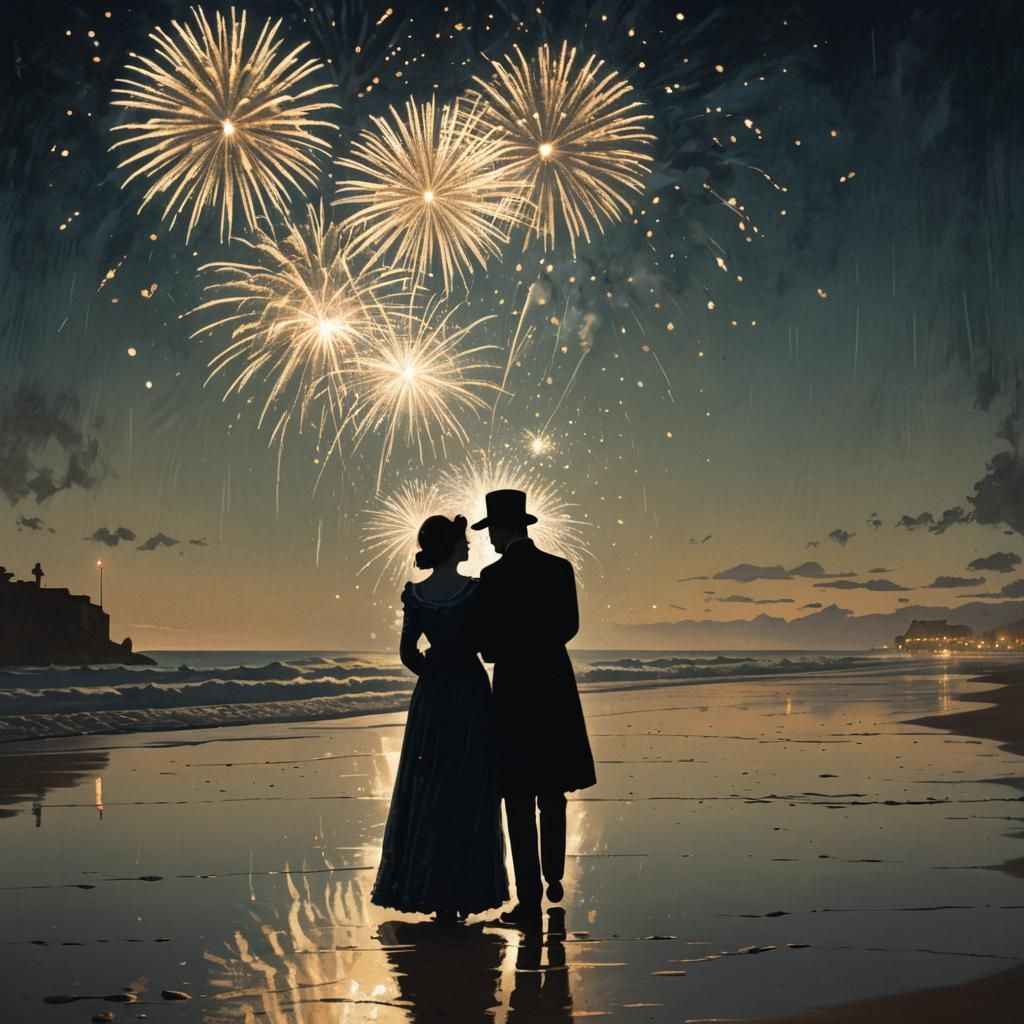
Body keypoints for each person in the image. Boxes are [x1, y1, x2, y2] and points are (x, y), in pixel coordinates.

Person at [371, 514, 508, 922]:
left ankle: (428, 885)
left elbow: (408, 652)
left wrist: (433, 672)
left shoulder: (416, 594)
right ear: (450, 547)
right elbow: (487, 643)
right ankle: (464, 889)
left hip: (432, 696)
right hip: (468, 690)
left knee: (429, 783)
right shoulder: (473, 591)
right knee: (467, 785)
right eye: (463, 542)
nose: (468, 547)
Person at [470, 489, 596, 928]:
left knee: (518, 798)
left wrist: (505, 648)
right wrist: (539, 644)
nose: (489, 541)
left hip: (514, 688)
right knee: (552, 790)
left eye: (491, 532)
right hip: (555, 685)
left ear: (503, 529)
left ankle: (529, 901)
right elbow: (569, 626)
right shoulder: (560, 569)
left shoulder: (492, 577)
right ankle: (555, 875)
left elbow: (485, 640)